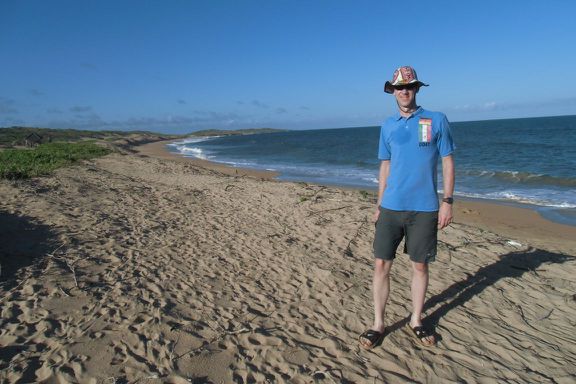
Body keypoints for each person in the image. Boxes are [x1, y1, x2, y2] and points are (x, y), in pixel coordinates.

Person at [359, 66, 455, 349]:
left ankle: (416, 319)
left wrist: (447, 201)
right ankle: (378, 323)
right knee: (380, 265)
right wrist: (379, 204)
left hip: (425, 208)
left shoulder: (436, 120)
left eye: (409, 86)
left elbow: (448, 160)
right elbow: (385, 165)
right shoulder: (387, 126)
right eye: (399, 87)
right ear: (392, 91)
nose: (404, 91)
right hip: (390, 207)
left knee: (420, 266)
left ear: (417, 89)